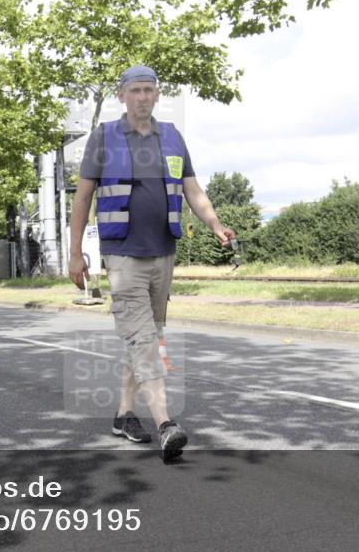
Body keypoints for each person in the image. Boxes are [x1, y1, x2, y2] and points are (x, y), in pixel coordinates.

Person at [68, 65, 236, 460]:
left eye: (150, 90)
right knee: (144, 341)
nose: (143, 96)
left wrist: (214, 224)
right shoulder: (104, 137)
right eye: (136, 90)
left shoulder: (172, 137)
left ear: (158, 95)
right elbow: (82, 199)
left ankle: (124, 415)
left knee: (146, 336)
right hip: (122, 255)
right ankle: (165, 423)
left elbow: (192, 189)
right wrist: (76, 254)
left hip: (163, 252)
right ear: (122, 95)